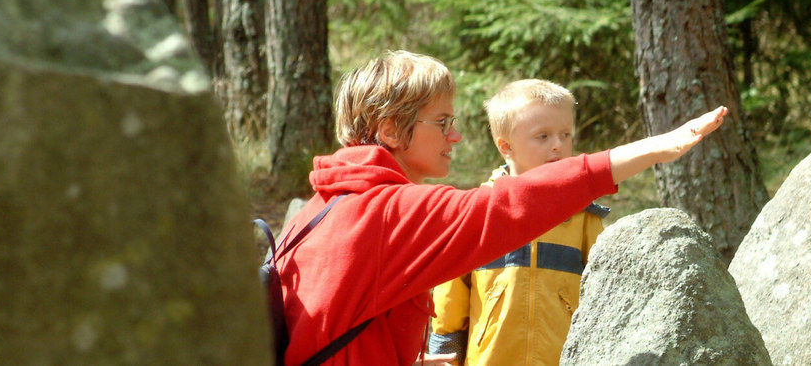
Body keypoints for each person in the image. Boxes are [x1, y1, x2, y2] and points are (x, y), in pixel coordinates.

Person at [276, 51, 727, 366]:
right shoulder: (385, 214)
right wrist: (652, 149)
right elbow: (513, 204)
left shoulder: (320, 208)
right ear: (392, 129)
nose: (455, 136)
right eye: (441, 122)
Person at [427, 79, 606, 365]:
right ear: (506, 146)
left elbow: (603, 294)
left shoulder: (584, 217)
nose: (558, 145)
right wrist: (445, 353)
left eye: (566, 134)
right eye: (543, 136)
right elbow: (451, 297)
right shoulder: (480, 210)